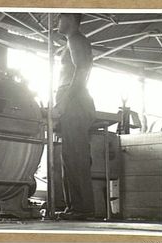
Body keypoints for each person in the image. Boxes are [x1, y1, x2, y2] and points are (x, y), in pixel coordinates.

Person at [53, 13, 96, 220]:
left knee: (76, 155)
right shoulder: (71, 41)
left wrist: (63, 102)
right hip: (71, 100)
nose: (56, 22)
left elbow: (81, 71)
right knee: (69, 156)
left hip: (75, 102)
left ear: (70, 19)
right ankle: (74, 207)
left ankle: (83, 208)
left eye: (60, 18)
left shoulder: (76, 39)